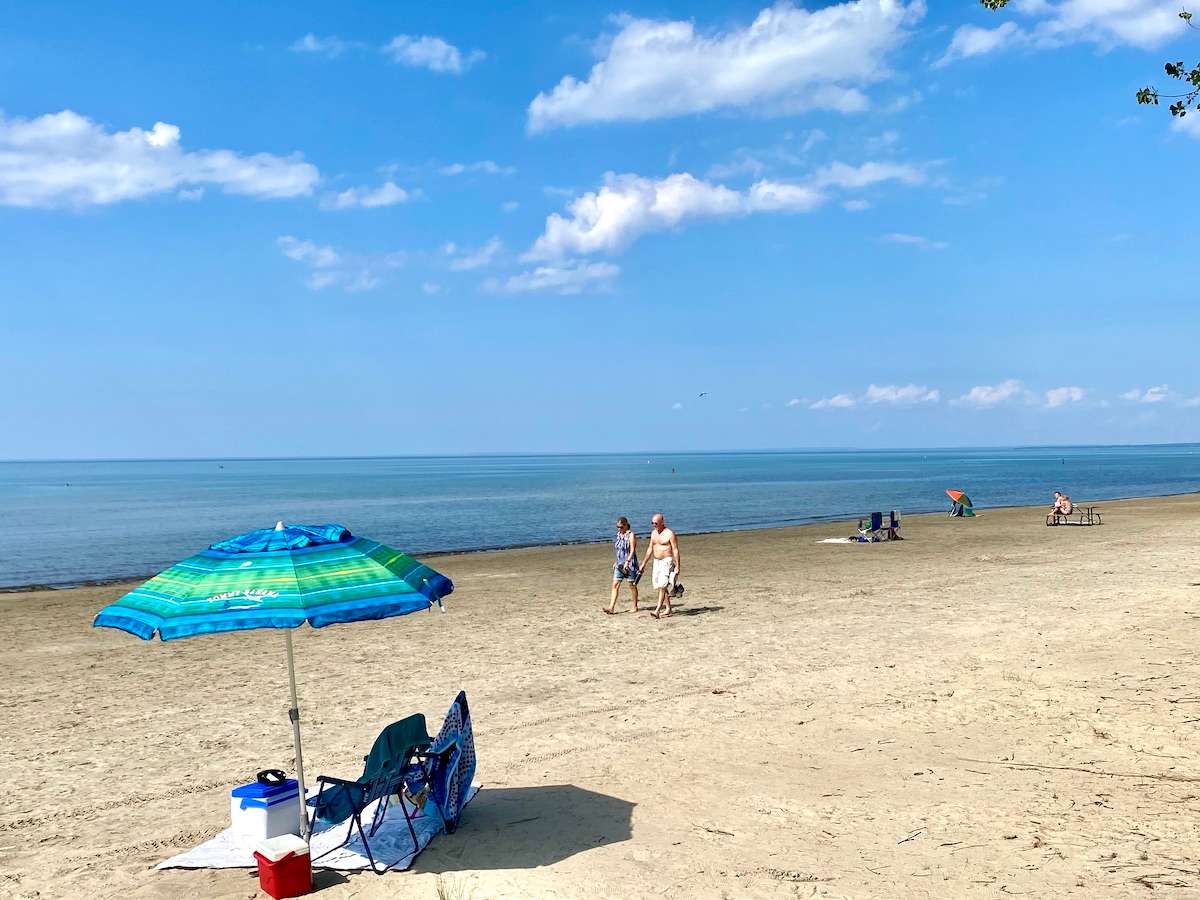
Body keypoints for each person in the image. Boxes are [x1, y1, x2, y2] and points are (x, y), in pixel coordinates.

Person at [638, 513, 681, 620]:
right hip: (656, 561)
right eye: (652, 523)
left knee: (662, 585)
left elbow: (675, 550)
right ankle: (668, 608)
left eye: (656, 523)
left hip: (667, 561)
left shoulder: (670, 534)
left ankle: (657, 610)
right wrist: (644, 563)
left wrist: (677, 566)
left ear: (662, 522)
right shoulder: (653, 533)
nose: (654, 525)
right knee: (659, 586)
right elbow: (650, 549)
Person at [603, 517, 639, 615]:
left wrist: (627, 561)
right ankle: (611, 608)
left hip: (630, 564)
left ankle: (635, 606)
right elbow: (618, 550)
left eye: (621, 526)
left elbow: (632, 550)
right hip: (619, 564)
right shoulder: (619, 535)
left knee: (632, 585)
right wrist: (616, 561)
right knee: (615, 585)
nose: (619, 528)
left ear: (626, 524)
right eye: (617, 527)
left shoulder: (631, 535)